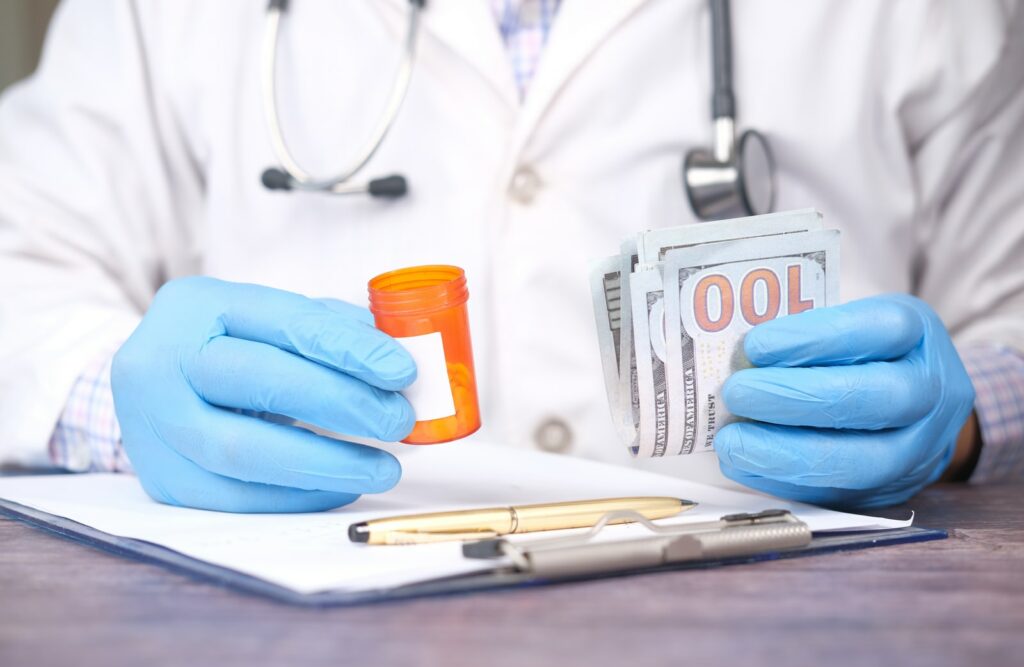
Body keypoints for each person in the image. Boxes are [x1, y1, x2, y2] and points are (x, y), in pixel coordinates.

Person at [0, 0, 1021, 512]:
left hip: (785, 612)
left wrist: (966, 408)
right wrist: (113, 394)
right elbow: (21, 262)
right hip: (323, 616)